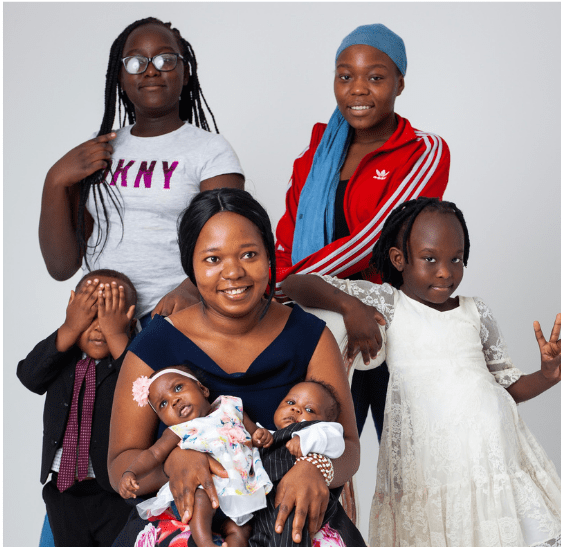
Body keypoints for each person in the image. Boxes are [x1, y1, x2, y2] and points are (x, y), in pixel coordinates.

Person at [281, 197, 561, 547]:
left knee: (538, 535)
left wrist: (546, 374)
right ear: (399, 259)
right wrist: (351, 307)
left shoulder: (476, 311)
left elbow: (508, 387)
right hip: (432, 466)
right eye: (430, 259)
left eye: (456, 259)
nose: (445, 271)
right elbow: (294, 284)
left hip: (496, 458)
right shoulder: (390, 303)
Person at [108, 188, 364, 547]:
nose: (233, 272)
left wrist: (315, 468)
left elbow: (349, 445)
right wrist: (175, 461)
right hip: (191, 517)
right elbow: (121, 463)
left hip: (288, 517)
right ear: (191, 267)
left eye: (249, 254)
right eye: (212, 259)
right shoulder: (155, 345)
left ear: (269, 256)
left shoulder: (309, 337)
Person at [274, 23, 450, 440]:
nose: (358, 89)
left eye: (375, 76)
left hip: (393, 326)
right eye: (345, 75)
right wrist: (295, 288)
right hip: (318, 325)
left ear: (399, 83)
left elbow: (376, 240)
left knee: (412, 461)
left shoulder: (424, 150)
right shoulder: (315, 155)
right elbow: (283, 240)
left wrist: (291, 285)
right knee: (318, 457)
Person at [38, 17, 245, 330]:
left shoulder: (210, 151)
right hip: (101, 322)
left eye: (165, 59)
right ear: (120, 76)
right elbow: (61, 266)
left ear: (185, 71)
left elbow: (234, 244)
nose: (151, 70)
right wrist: (55, 180)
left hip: (178, 318)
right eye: (135, 62)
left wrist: (191, 289)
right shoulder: (100, 150)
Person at [17, 269, 138, 547]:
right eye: (91, 315)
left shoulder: (128, 363)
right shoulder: (61, 356)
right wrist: (69, 328)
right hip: (64, 489)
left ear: (130, 321)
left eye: (110, 317)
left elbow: (143, 392)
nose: (99, 327)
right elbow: (29, 376)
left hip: (115, 491)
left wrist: (118, 336)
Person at [119, 365, 274, 547]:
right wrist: (131, 472)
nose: (174, 401)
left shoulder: (230, 406)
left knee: (241, 529)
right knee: (200, 499)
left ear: (202, 389)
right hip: (202, 488)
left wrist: (260, 436)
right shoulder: (177, 430)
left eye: (177, 388)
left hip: (238, 491)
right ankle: (205, 542)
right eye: (163, 404)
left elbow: (253, 434)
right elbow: (153, 454)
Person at [250, 380, 359, 547]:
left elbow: (337, 443)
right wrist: (260, 437)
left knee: (292, 534)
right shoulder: (271, 435)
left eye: (309, 410)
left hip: (300, 498)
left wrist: (305, 440)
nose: (296, 409)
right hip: (265, 510)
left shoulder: (320, 430)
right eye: (290, 402)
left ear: (324, 421)